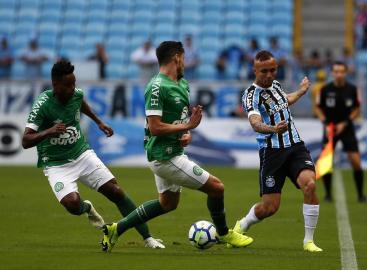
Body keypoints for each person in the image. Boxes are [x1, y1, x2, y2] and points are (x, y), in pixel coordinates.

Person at [101, 41, 253, 252]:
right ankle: (225, 234)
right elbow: (154, 127)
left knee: (168, 203)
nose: (186, 63)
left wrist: (186, 133)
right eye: (184, 58)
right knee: (217, 188)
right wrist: (188, 125)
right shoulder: (156, 87)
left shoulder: (182, 83)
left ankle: (115, 229)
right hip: (164, 157)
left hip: (173, 151)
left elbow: (178, 123)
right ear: (177, 58)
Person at [22, 60, 164, 249]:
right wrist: (49, 131)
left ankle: (148, 238)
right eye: (68, 85)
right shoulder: (43, 105)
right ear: (55, 85)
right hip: (56, 164)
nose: (73, 88)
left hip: (81, 154)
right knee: (72, 205)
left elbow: (81, 103)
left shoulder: (76, 94)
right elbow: (25, 140)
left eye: (74, 84)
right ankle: (87, 207)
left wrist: (99, 122)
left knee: (116, 192)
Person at [235, 50, 323, 252]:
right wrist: (274, 129)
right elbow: (255, 123)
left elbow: (284, 101)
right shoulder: (251, 95)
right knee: (269, 208)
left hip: (295, 146)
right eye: (264, 71)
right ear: (255, 70)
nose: (269, 75)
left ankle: (308, 241)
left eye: (273, 70)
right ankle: (244, 224)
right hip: (272, 153)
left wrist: (300, 92)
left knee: (309, 185)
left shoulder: (276, 85)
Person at [315, 61, 367, 203]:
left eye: (341, 71)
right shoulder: (324, 89)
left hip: (347, 127)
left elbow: (357, 109)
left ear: (346, 73)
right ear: (332, 73)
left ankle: (361, 195)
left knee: (355, 161)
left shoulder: (352, 89)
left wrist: (345, 123)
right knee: (326, 162)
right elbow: (318, 108)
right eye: (336, 71)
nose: (338, 74)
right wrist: (325, 123)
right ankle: (328, 195)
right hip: (330, 128)